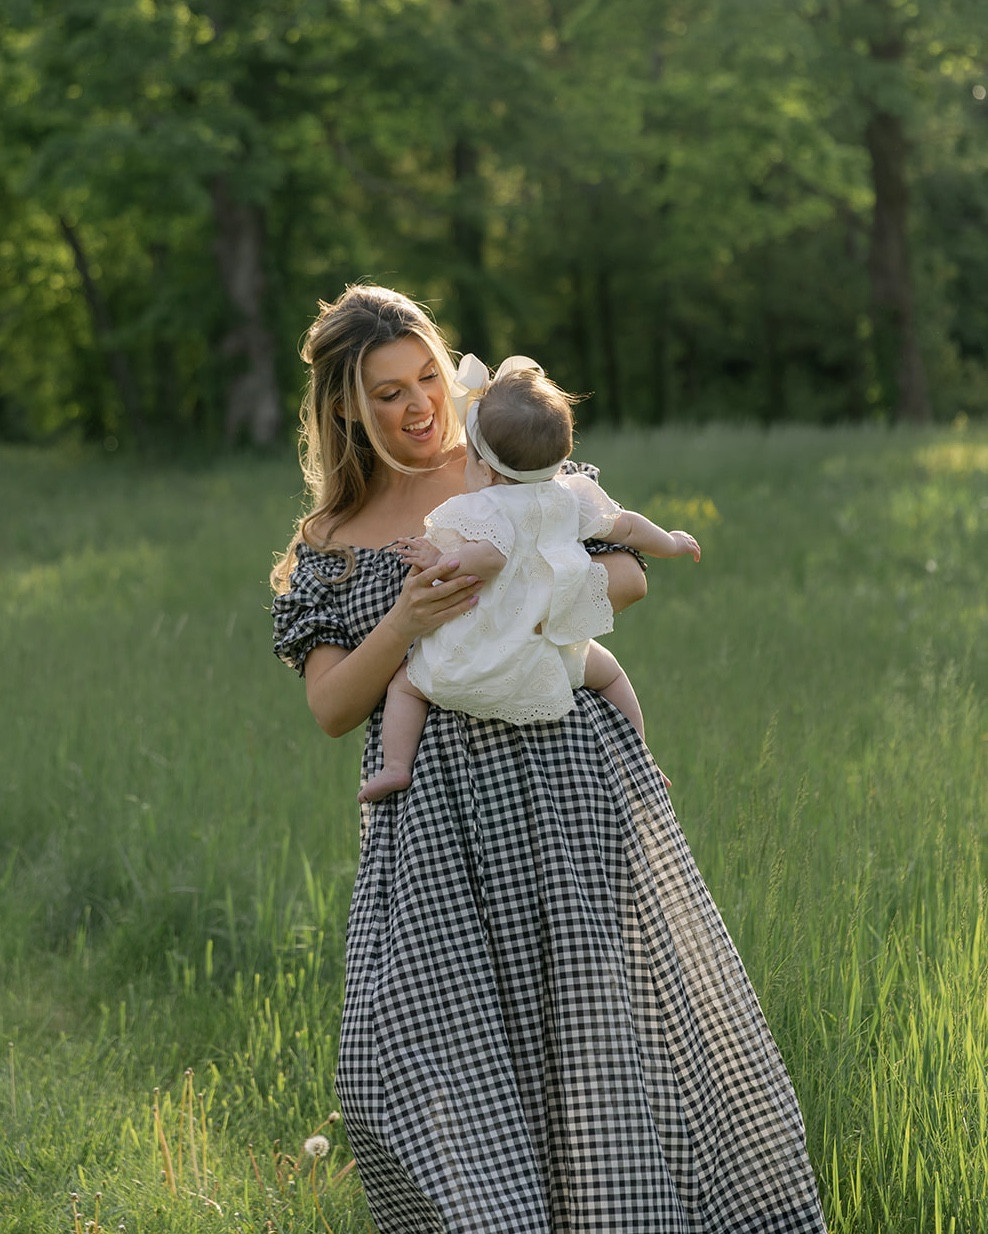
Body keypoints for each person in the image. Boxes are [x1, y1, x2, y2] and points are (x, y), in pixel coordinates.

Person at [271, 283, 826, 1234]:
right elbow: (331, 708)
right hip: (435, 828)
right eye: (387, 394)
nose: (417, 408)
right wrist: (410, 618)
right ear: (342, 410)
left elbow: (629, 572)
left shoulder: (502, 467)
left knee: (597, 1046)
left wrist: (516, 598)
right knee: (392, 1068)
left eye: (425, 380)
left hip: (567, 784)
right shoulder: (329, 545)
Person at [358, 356, 701, 804]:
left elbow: (487, 558)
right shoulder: (573, 496)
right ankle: (640, 757)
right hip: (551, 655)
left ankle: (396, 766)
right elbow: (629, 527)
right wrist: (672, 542)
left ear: (485, 468)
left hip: (481, 654)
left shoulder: (481, 508)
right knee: (612, 675)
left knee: (406, 684)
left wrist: (437, 557)